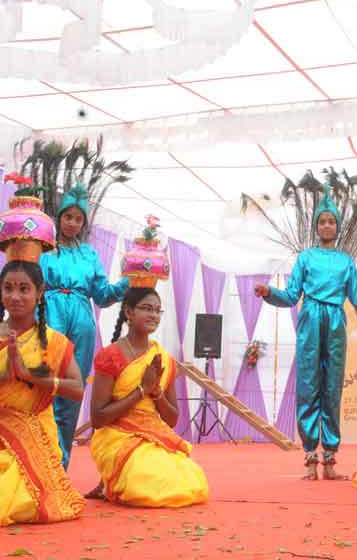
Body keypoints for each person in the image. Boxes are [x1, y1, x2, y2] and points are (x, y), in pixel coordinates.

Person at [255, 185, 357, 480]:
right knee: (308, 386)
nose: (327, 225)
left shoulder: (346, 262)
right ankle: (311, 459)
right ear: (316, 226)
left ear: (337, 227)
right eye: (323, 221)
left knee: (332, 388)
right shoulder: (305, 258)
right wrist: (268, 292)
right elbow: (290, 296)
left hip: (336, 321)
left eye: (331, 221)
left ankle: (331, 461)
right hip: (310, 318)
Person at [87, 287, 209, 507]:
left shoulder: (164, 359)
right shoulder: (110, 356)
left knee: (190, 483)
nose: (153, 315)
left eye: (157, 310)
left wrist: (156, 393)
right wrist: (141, 391)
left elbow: (172, 420)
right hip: (117, 435)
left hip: (154, 436)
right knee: (144, 484)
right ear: (129, 312)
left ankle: (110, 484)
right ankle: (110, 481)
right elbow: (97, 418)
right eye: (146, 308)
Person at [41, 185, 129, 468]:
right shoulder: (43, 248)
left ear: (83, 223)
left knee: (72, 391)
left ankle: (61, 465)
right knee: (45, 388)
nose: (72, 223)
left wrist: (129, 281)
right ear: (59, 217)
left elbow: (102, 295)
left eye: (78, 219)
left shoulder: (90, 255)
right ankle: (39, 461)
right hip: (49, 317)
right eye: (68, 216)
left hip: (82, 321)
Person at [0, 260, 85, 525]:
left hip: (33, 433)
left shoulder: (55, 342)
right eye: (8, 288)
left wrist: (32, 377)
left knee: (19, 496)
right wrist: (5, 376)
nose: (15, 296)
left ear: (39, 292)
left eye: (24, 289)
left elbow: (77, 390)